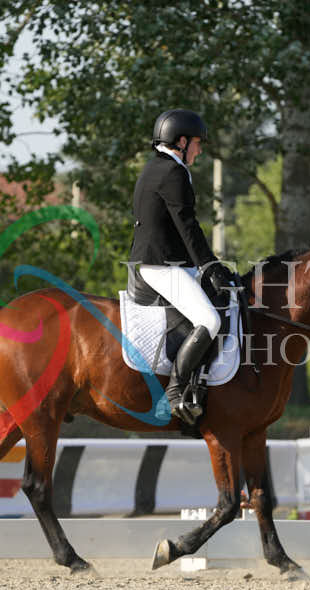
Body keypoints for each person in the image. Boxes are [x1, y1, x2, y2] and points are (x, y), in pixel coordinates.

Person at [129, 109, 235, 425]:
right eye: (198, 144)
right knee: (209, 320)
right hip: (163, 266)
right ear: (182, 141)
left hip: (162, 261)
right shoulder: (174, 172)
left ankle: (198, 386)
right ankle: (175, 392)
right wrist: (210, 265)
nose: (199, 151)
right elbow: (187, 226)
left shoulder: (156, 167)